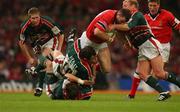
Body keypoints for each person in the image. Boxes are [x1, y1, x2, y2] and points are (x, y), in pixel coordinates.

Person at [109, 0, 180, 101]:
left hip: (150, 44)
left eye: (125, 5)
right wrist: (126, 42)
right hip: (142, 48)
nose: (123, 7)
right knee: (142, 73)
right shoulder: (127, 19)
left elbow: (129, 27)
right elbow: (125, 33)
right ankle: (163, 92)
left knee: (159, 74)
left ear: (133, 6)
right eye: (122, 5)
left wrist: (114, 26)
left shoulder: (138, 15)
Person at [18, 7, 64, 96]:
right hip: (37, 45)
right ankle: (39, 84)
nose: (35, 20)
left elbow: (60, 35)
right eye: (33, 18)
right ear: (29, 18)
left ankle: (37, 76)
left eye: (37, 18)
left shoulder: (47, 22)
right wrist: (29, 58)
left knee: (46, 58)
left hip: (50, 41)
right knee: (44, 63)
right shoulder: (24, 27)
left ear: (40, 16)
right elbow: (21, 43)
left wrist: (58, 50)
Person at [79, 8, 131, 74]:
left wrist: (125, 42)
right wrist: (109, 38)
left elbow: (118, 31)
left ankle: (93, 66)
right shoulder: (109, 15)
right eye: (123, 21)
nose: (123, 23)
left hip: (100, 42)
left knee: (107, 69)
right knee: (83, 69)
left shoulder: (117, 19)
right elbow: (97, 32)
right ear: (119, 15)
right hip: (89, 41)